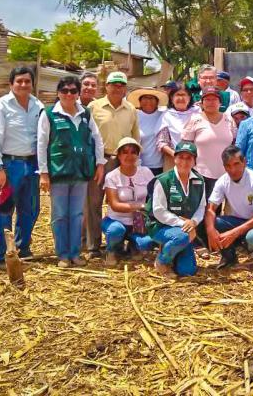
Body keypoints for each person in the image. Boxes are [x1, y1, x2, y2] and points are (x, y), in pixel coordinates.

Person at [38, 76, 106, 268]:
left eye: (73, 91)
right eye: (64, 90)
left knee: (77, 214)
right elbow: (42, 144)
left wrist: (100, 164)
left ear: (78, 93)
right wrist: (43, 173)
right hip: (59, 171)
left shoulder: (85, 113)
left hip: (81, 172)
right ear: (58, 93)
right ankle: (63, 254)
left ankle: (75, 253)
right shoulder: (49, 114)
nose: (69, 94)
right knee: (60, 214)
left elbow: (97, 139)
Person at [0, 67, 44, 269]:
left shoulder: (37, 105)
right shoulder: (1, 106)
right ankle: (0, 256)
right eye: (19, 81)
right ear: (11, 84)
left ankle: (21, 248)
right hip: (8, 164)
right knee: (3, 211)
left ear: (32, 84)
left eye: (27, 81)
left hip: (32, 163)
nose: (23, 85)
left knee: (31, 209)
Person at [85, 71, 140, 257]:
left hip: (122, 161)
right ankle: (93, 246)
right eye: (113, 84)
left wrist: (133, 162)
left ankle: (120, 243)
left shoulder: (131, 109)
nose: (117, 88)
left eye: (121, 85)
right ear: (106, 86)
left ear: (125, 88)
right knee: (93, 203)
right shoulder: (94, 107)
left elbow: (135, 136)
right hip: (98, 161)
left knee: (123, 201)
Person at [205, 145, 253, 277]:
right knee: (212, 222)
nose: (233, 170)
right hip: (237, 221)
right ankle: (229, 257)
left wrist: (233, 233)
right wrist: (210, 230)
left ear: (244, 162)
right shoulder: (222, 181)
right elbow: (210, 208)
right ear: (224, 166)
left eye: (236, 164)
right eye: (228, 166)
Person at [145, 140, 207, 277]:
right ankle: (162, 261)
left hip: (185, 229)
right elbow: (159, 211)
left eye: (189, 158)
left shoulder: (199, 180)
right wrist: (184, 223)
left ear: (194, 161)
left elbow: (201, 207)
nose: (184, 162)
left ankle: (172, 251)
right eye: (181, 157)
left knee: (187, 271)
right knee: (181, 237)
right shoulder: (163, 180)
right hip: (161, 227)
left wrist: (194, 222)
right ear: (175, 159)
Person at [102, 137, 156, 267]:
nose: (129, 156)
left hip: (139, 223)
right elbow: (115, 205)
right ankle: (112, 251)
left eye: (133, 152)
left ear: (138, 155)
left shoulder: (146, 172)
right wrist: (140, 206)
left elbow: (156, 196)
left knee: (146, 243)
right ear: (119, 155)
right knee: (115, 231)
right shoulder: (111, 176)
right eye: (125, 152)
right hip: (116, 220)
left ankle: (133, 246)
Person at [181, 86, 237, 195]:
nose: (211, 102)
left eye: (214, 99)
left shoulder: (229, 120)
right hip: (199, 174)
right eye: (207, 99)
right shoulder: (194, 120)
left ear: (220, 102)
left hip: (225, 174)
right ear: (201, 103)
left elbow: (234, 144)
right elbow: (185, 147)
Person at [157, 83, 196, 170]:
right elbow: (162, 142)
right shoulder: (167, 116)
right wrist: (176, 155)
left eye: (184, 95)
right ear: (171, 98)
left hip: (198, 161)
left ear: (189, 97)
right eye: (178, 95)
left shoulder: (198, 112)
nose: (181, 98)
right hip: (174, 161)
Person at [132, 88, 168, 176]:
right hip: (139, 165)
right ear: (140, 101)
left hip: (159, 165)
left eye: (152, 98)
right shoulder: (134, 115)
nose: (148, 101)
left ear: (157, 102)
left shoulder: (164, 115)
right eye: (145, 98)